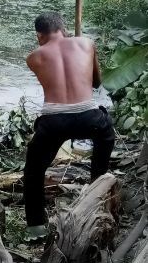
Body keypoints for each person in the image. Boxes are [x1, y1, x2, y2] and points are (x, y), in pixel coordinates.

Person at [23, 12, 115, 240]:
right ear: (63, 29)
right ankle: (97, 186)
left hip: (54, 121)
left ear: (39, 35)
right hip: (89, 117)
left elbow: (53, 75)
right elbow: (95, 82)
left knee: (34, 171)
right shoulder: (87, 43)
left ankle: (36, 228)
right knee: (106, 136)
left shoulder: (33, 57)